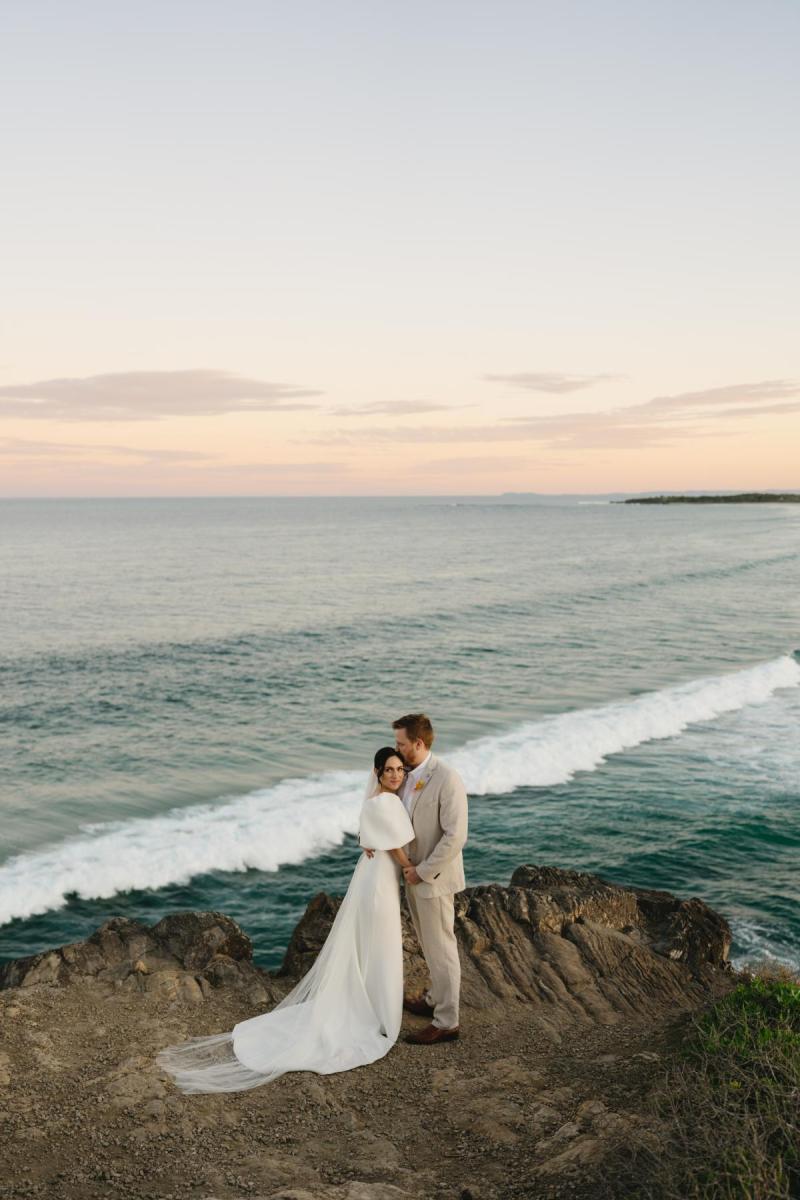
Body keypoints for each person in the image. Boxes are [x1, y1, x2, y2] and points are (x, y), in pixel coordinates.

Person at [157, 747, 415, 1093]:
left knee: (367, 943)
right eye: (390, 770)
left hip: (368, 875)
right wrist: (413, 868)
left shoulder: (372, 800)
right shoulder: (388, 803)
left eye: (400, 769)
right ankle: (379, 1012)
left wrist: (371, 844)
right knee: (380, 944)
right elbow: (398, 846)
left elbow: (366, 837)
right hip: (381, 878)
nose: (396, 775)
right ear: (378, 773)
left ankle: (369, 1003)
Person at [392, 713, 468, 1044]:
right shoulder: (405, 775)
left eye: (401, 743)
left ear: (418, 744)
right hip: (410, 875)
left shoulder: (447, 779)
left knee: (442, 949)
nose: (397, 748)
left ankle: (447, 1022)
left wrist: (421, 871)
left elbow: (455, 837)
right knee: (428, 945)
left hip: (432, 880)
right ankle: (434, 1000)